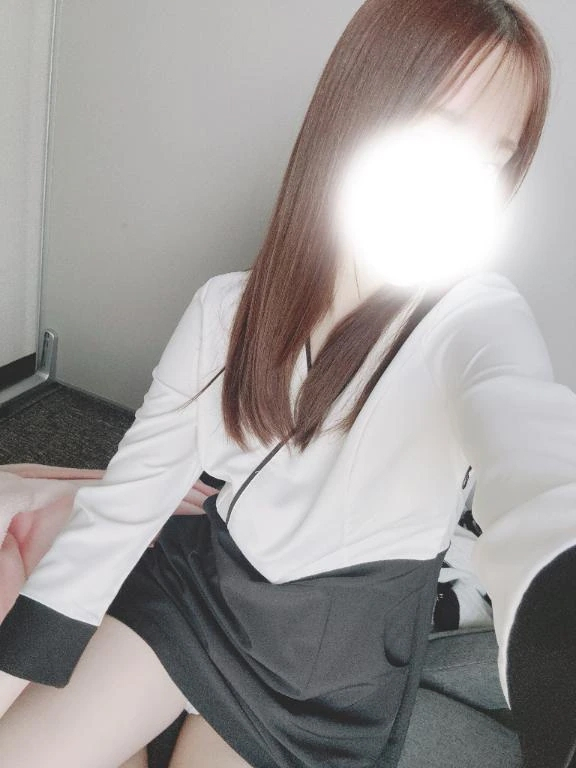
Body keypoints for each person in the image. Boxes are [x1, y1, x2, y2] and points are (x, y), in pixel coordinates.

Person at [1, 1, 575, 767]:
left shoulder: (476, 317)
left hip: (324, 678)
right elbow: (125, 508)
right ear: (357, 117)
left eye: (495, 156)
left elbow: (533, 443)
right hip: (197, 591)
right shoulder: (225, 309)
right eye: (441, 131)